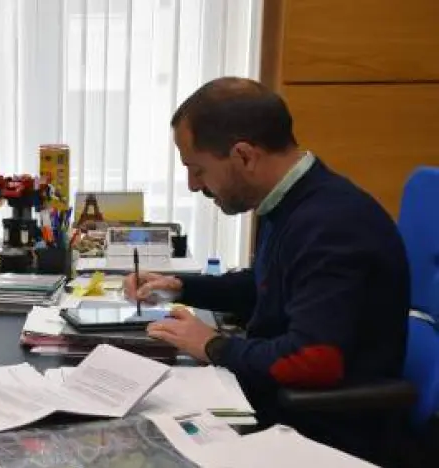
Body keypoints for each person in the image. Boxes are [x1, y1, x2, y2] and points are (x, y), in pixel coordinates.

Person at [124, 77, 410, 429]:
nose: (194, 186)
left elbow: (313, 359)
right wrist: (181, 287)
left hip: (321, 428)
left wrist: (214, 346)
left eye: (198, 170)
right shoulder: (292, 202)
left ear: (244, 156)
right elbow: (267, 284)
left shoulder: (332, 225)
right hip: (279, 401)